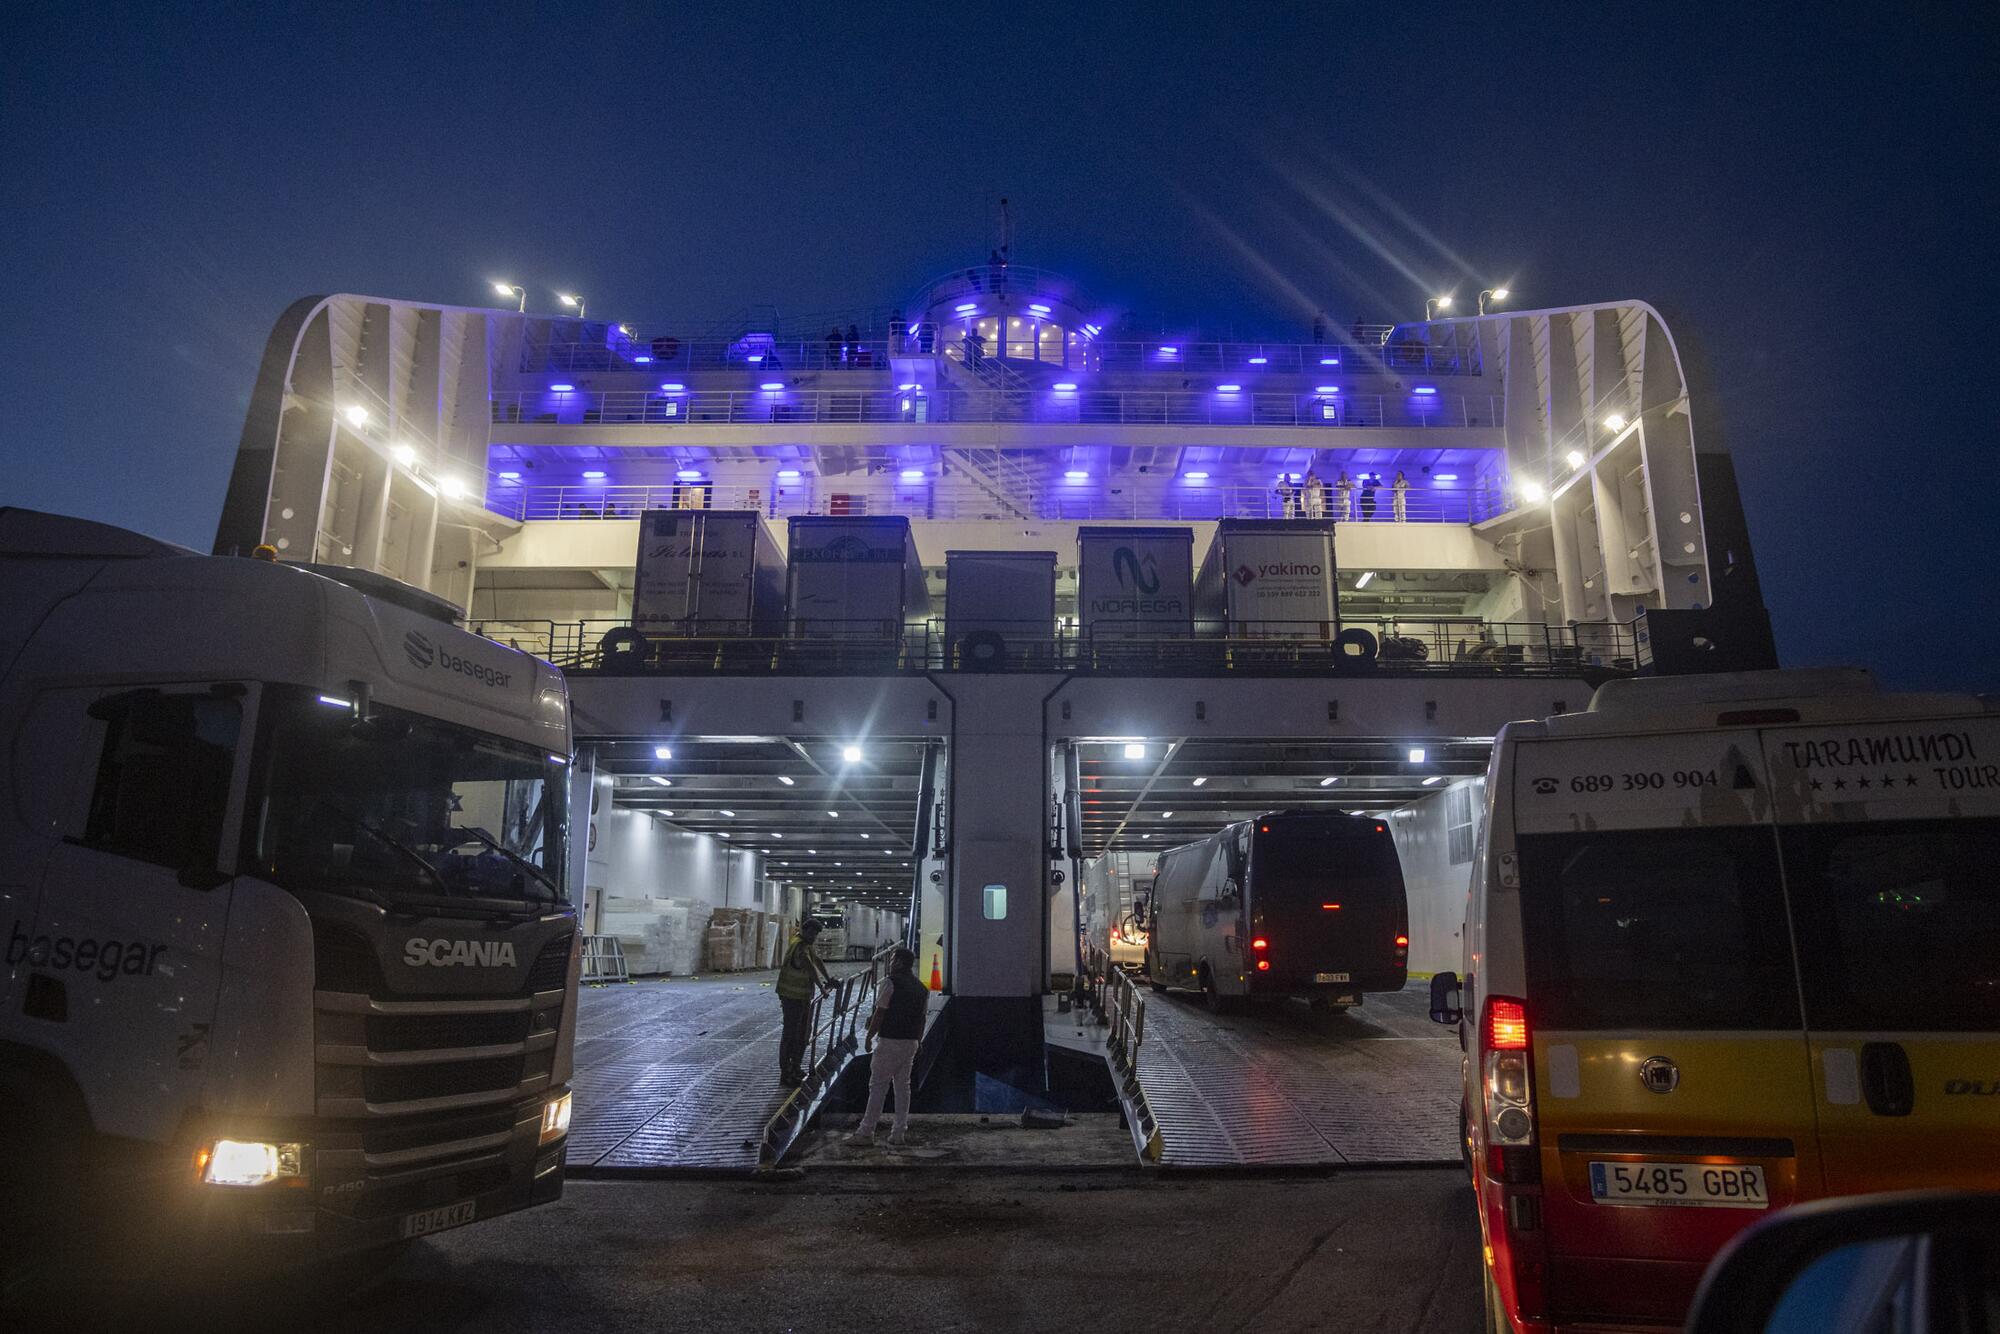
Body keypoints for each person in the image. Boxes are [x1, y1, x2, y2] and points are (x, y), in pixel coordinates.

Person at [850, 947, 928, 1146]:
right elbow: (921, 1019)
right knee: (903, 1088)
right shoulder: (921, 988)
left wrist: (869, 1037)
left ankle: (866, 1132)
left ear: (900, 962)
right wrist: (919, 1041)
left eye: (893, 960)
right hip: (910, 1042)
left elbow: (880, 1013)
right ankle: (898, 1133)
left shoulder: (891, 983)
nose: (891, 963)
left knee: (878, 1087)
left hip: (890, 1041)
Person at [776, 919, 833, 1086]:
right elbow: (809, 966)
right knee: (791, 1035)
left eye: (815, 934)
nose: (813, 937)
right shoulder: (800, 946)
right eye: (811, 933)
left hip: (800, 998)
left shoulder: (804, 944)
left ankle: (795, 1067)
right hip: (793, 998)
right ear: (804, 930)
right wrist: (822, 988)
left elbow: (817, 961)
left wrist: (828, 979)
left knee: (802, 1034)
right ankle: (786, 1074)